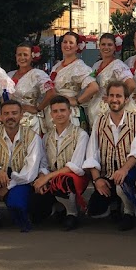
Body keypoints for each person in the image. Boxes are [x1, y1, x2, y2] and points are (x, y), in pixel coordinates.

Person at [84, 82, 136, 231]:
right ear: (106, 98)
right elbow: (92, 151)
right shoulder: (99, 121)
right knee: (95, 210)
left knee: (123, 184)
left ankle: (129, 212)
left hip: (129, 173)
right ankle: (115, 203)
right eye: (112, 96)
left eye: (119, 96)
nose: (114, 99)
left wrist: (124, 170)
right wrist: (97, 180)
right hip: (107, 174)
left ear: (126, 99)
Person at [0, 100, 44, 232]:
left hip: (22, 180)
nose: (10, 117)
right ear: (1, 115)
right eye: (6, 113)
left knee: (17, 205)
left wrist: (8, 187)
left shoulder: (32, 137)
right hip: (1, 176)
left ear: (21, 115)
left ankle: (23, 208)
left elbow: (30, 171)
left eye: (14, 113)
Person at [32, 95, 90, 231]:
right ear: (51, 114)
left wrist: (48, 177)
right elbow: (44, 163)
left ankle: (72, 213)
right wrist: (42, 176)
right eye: (56, 111)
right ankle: (57, 206)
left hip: (74, 177)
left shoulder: (80, 134)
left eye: (63, 110)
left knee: (62, 180)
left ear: (70, 112)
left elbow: (75, 166)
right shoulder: (47, 137)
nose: (59, 114)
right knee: (35, 213)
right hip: (53, 176)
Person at [43, 31, 96, 131]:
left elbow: (94, 87)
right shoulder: (56, 66)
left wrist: (77, 100)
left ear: (77, 47)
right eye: (65, 42)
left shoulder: (79, 66)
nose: (67, 45)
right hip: (53, 111)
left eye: (71, 43)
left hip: (68, 113)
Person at [4, 42, 51, 135]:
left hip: (29, 121)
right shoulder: (9, 75)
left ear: (32, 57)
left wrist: (38, 108)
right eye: (19, 55)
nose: (22, 58)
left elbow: (51, 93)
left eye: (25, 55)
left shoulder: (38, 74)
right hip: (10, 121)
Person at [86, 33, 135, 120]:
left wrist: (116, 99)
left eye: (110, 45)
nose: (106, 47)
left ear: (115, 47)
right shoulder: (96, 65)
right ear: (99, 46)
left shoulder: (118, 66)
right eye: (103, 44)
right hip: (95, 108)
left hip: (111, 109)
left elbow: (131, 85)